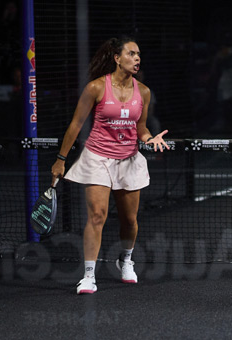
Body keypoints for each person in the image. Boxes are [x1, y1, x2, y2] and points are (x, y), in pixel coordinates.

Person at [51, 37, 169, 294]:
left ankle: (125, 260)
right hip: (97, 158)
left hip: (128, 160)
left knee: (129, 220)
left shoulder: (144, 92)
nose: (137, 58)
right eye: (131, 53)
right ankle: (89, 275)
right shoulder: (95, 88)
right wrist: (60, 160)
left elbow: (141, 128)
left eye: (139, 54)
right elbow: (75, 125)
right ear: (117, 58)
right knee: (97, 216)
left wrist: (149, 138)